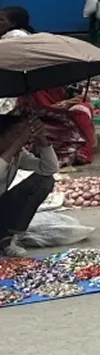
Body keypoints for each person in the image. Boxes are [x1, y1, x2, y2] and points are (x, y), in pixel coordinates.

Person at [0, 110, 56, 256]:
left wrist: (42, 140)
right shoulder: (12, 151)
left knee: (44, 181)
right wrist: (16, 144)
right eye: (14, 135)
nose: (21, 139)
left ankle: (8, 237)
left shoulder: (18, 155)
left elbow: (49, 168)